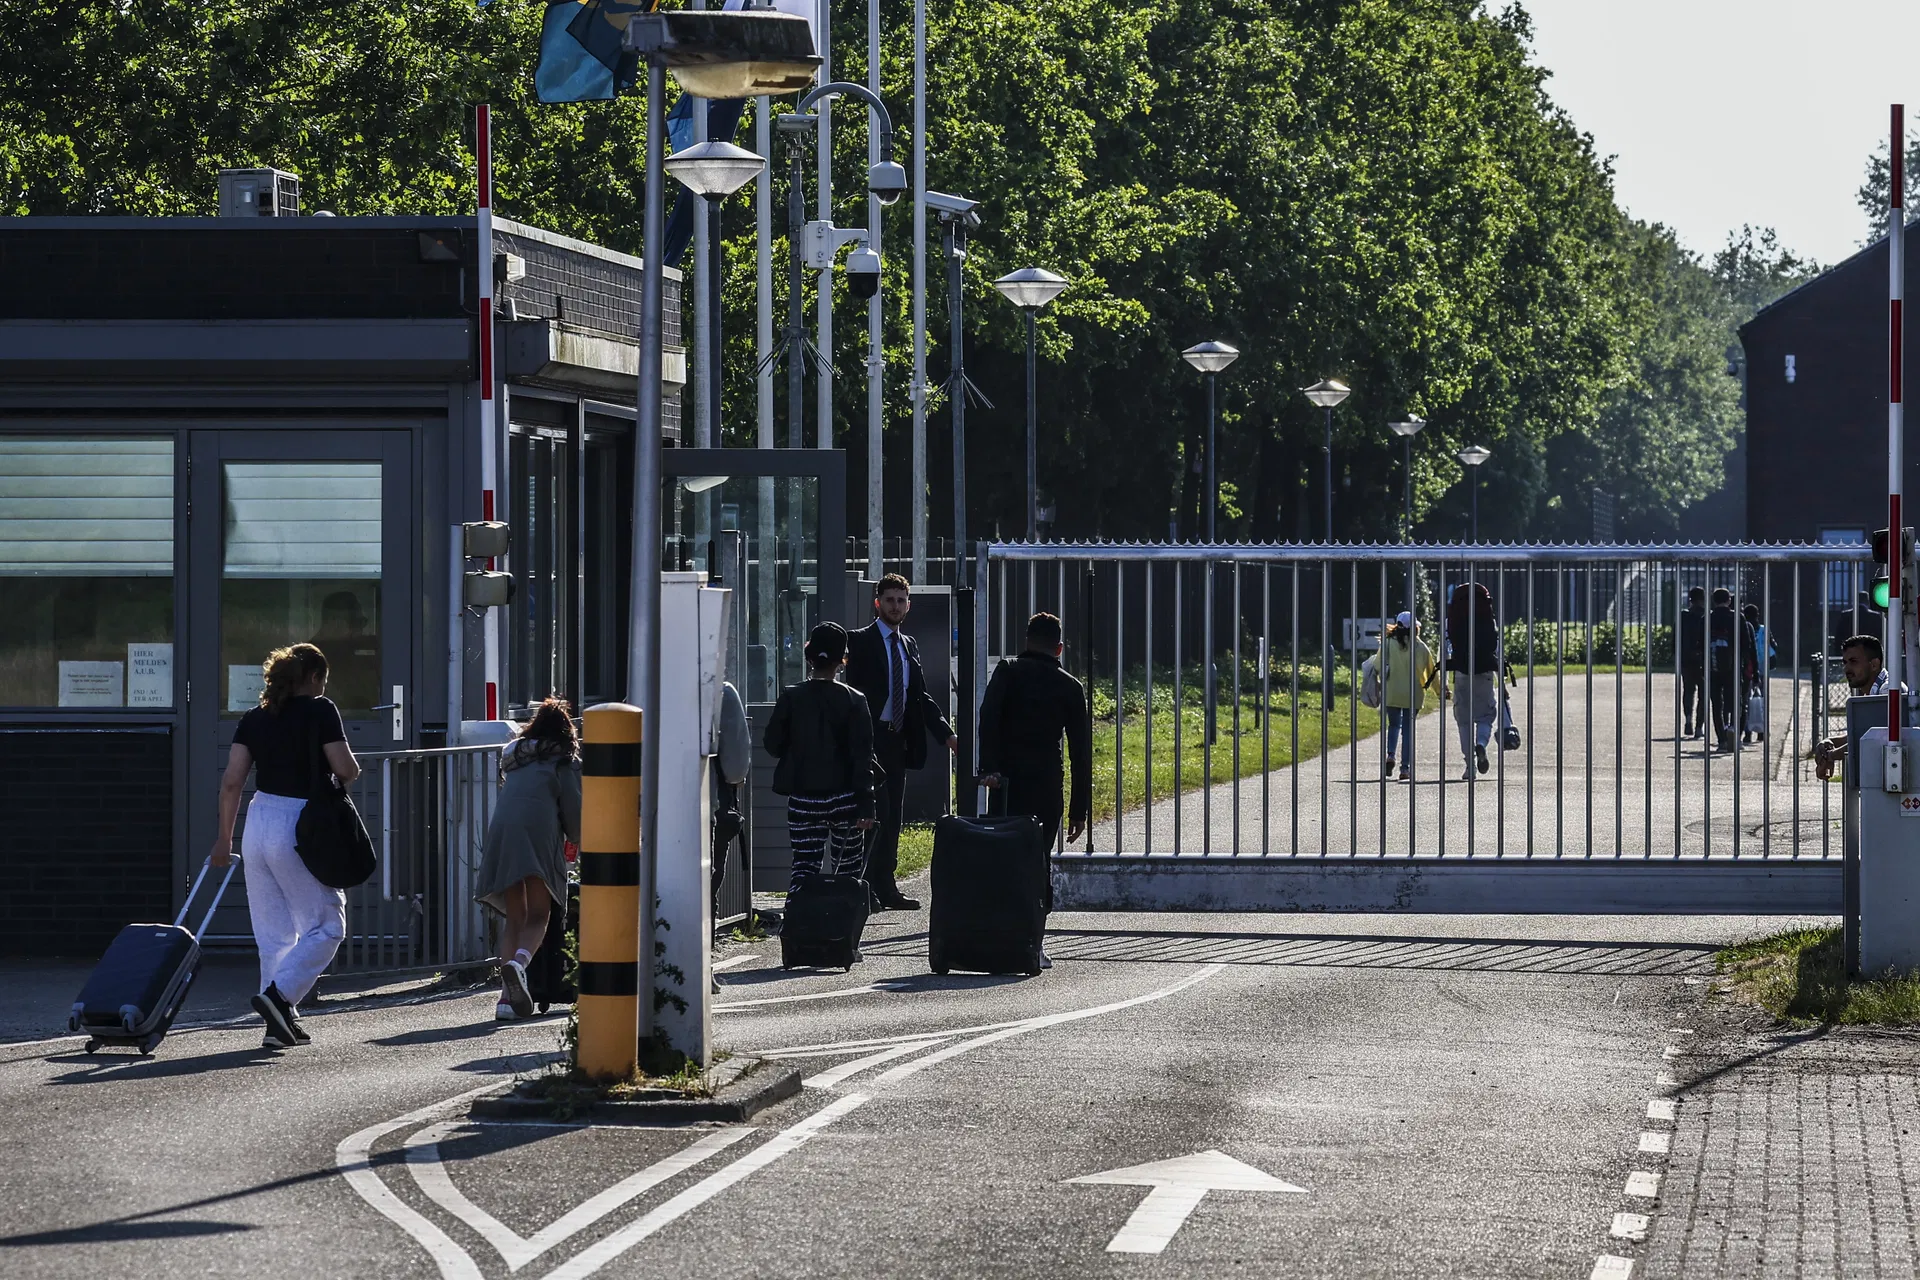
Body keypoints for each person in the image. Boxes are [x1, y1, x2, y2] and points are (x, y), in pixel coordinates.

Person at [212, 643, 362, 1051]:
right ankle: (279, 998)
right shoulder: (321, 710)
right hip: (300, 823)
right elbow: (346, 768)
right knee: (329, 924)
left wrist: (224, 838)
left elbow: (231, 782)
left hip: (257, 822)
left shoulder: (254, 718)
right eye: (323, 681)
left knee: (273, 933)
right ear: (313, 678)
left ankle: (278, 1022)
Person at [978, 612, 1091, 968]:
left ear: (1026, 640)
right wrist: (1079, 809)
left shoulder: (1008, 672)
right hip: (1046, 786)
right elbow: (1081, 752)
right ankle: (1033, 941)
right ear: (1059, 648)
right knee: (1038, 863)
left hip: (1007, 783)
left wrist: (990, 769)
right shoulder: (1070, 687)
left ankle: (995, 938)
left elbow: (988, 718)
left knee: (1001, 859)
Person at [845, 574, 956, 911]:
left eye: (901, 600)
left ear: (909, 605)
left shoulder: (908, 645)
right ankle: (863, 886)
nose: (895, 606)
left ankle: (886, 885)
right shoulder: (860, 641)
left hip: (897, 739)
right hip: (869, 739)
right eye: (889, 600)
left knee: (893, 816)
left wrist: (946, 734)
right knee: (872, 812)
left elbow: (918, 696)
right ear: (877, 603)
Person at [474, 698, 581, 1021]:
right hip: (538, 833)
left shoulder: (516, 757)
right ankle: (518, 965)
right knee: (540, 913)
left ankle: (506, 1002)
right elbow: (575, 817)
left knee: (516, 917)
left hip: (503, 833)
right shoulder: (564, 760)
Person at [764, 623, 877, 893]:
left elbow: (772, 744)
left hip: (804, 798)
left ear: (808, 655)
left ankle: (799, 924)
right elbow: (863, 757)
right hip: (845, 799)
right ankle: (841, 928)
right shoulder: (855, 700)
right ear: (843, 660)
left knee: (804, 865)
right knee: (847, 868)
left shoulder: (791, 697)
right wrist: (866, 806)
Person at [1814, 634, 1893, 780]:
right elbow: (1863, 734)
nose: (1847, 669)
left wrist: (1831, 756)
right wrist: (1829, 742)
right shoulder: (1874, 691)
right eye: (1845, 662)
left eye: (1853, 662)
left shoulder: (1888, 691)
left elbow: (1876, 737)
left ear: (1874, 664)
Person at [1443, 583, 1501, 779]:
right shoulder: (1488, 619)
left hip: (1461, 671)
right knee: (1486, 716)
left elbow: (1445, 649)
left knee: (1463, 721)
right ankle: (1481, 744)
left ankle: (1469, 767)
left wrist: (1443, 681)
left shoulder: (1451, 621)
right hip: (1484, 671)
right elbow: (1496, 649)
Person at [1380, 611, 1435, 782]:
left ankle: (1390, 755)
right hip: (1414, 695)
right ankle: (1405, 768)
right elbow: (1432, 673)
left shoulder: (1388, 644)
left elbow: (1377, 665)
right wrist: (1441, 692)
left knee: (1394, 725)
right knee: (1408, 731)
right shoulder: (1421, 648)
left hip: (1392, 692)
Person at [309, 589, 379, 712]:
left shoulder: (347, 651)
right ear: (334, 622)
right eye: (357, 623)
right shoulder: (310, 659)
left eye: (363, 622)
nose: (361, 629)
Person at [1706, 588, 1757, 753]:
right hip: (1733, 667)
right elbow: (1746, 644)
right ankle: (1735, 731)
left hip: (1712, 667)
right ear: (1729, 600)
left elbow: (1701, 644)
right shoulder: (1737, 617)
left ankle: (1721, 739)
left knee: (1716, 704)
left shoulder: (1708, 618)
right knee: (1737, 701)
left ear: (1713, 601)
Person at [1741, 603, 1774, 745]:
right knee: (1761, 700)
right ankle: (1762, 732)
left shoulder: (1743, 628)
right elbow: (1773, 645)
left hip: (1748, 668)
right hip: (1763, 668)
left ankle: (1747, 733)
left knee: (1747, 700)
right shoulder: (1763, 629)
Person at [1678, 587, 1708, 739]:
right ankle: (1699, 727)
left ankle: (1688, 718)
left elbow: (1676, 637)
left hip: (1686, 659)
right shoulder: (1708, 616)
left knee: (1688, 690)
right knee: (1704, 693)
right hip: (1704, 659)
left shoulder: (1683, 616)